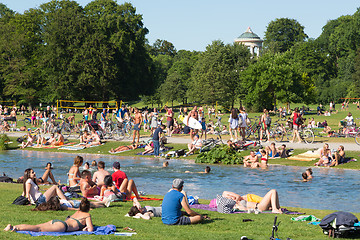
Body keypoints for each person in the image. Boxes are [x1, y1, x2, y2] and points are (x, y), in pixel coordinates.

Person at [4, 197, 94, 232]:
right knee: (38, 229)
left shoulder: (76, 212)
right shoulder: (87, 215)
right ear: (88, 208)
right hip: (62, 227)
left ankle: (13, 226)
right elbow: (90, 229)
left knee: (36, 226)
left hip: (58, 222)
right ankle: (15, 228)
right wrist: (85, 229)